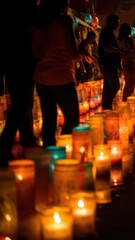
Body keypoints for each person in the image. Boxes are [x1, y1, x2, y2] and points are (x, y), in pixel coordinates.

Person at [31, 0, 80, 147]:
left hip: (41, 78)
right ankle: (62, 151)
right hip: (62, 77)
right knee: (72, 119)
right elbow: (73, 52)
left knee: (49, 121)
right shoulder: (65, 21)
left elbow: (35, 52)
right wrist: (81, 51)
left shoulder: (38, 24)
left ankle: (49, 155)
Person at [0, 0, 39, 162]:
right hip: (21, 62)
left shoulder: (12, 12)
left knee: (25, 103)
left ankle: (27, 139)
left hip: (14, 63)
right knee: (21, 105)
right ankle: (4, 143)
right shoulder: (25, 13)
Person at [98, 14, 121, 110]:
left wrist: (118, 64)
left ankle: (105, 106)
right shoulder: (106, 32)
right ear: (112, 22)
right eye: (117, 22)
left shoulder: (110, 33)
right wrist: (119, 50)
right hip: (107, 64)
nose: (118, 25)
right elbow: (106, 48)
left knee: (108, 86)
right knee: (115, 85)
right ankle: (107, 103)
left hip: (110, 64)